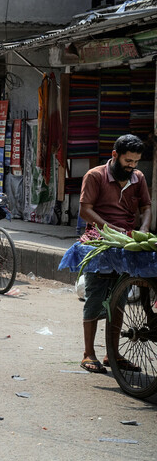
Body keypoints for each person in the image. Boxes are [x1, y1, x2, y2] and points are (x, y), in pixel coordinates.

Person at [78, 133, 151, 374]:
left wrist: (143, 229)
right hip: (99, 240)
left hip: (127, 242)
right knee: (95, 298)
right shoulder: (95, 176)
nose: (132, 166)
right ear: (115, 155)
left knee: (119, 300)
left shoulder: (138, 178)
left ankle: (113, 353)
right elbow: (85, 210)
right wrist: (108, 228)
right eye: (128, 161)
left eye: (136, 162)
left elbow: (146, 207)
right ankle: (88, 353)